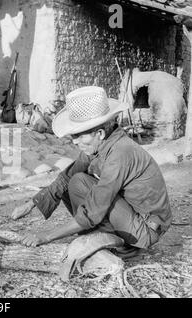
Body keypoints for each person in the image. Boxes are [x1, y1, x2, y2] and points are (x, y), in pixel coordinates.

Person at [15, 86, 172, 256]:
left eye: (79, 136)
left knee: (81, 183)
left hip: (145, 229)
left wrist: (46, 237)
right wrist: (31, 203)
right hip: (130, 217)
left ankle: (123, 246)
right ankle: (102, 236)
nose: (74, 142)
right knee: (74, 180)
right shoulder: (103, 144)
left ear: (100, 133)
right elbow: (66, 177)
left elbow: (94, 209)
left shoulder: (120, 153)